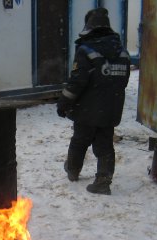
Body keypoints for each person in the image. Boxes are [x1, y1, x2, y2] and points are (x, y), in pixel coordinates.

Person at [57, 7, 131, 195]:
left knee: (79, 141)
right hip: (111, 108)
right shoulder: (121, 51)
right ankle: (103, 181)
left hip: (87, 109)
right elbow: (123, 80)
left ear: (88, 26)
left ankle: (73, 170)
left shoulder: (86, 49)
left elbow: (77, 82)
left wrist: (63, 103)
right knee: (105, 144)